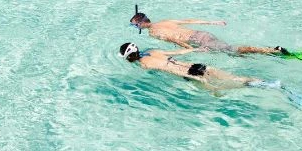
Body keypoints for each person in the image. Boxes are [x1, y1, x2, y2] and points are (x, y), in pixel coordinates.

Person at [129, 5, 302, 68]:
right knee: (234, 53)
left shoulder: (154, 32)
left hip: (198, 41)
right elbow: (190, 20)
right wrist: (213, 22)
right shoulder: (165, 21)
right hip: (203, 33)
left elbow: (175, 40)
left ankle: (273, 50)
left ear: (139, 24)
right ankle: (268, 53)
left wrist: (191, 50)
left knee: (233, 50)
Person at [118, 42, 277, 91]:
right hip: (197, 65)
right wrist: (195, 49)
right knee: (235, 78)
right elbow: (178, 52)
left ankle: (266, 86)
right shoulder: (152, 51)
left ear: (129, 57)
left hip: (191, 74)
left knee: (230, 86)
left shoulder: (145, 64)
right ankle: (269, 83)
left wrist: (198, 80)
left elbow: (169, 69)